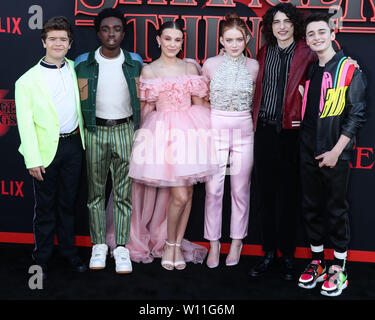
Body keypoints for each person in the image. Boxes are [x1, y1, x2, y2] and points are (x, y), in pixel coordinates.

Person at [128, 20, 218, 270]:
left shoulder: (190, 68)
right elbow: (146, 109)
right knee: (179, 194)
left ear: (182, 42)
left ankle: (175, 244)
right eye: (167, 39)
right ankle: (169, 244)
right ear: (158, 40)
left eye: (177, 40)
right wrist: (142, 144)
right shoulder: (149, 71)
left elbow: (200, 103)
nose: (172, 44)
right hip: (162, 135)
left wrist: (223, 120)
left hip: (191, 132)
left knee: (187, 192)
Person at [297, 12, 366, 297]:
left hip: (334, 151)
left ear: (332, 34)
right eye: (311, 34)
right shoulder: (313, 69)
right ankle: (317, 262)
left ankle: (339, 268)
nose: (316, 37)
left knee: (336, 210)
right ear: (307, 39)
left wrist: (337, 151)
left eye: (321, 32)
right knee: (311, 207)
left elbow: (356, 115)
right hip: (307, 148)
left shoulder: (349, 69)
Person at [248, 3, 317, 280]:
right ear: (270, 26)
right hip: (264, 131)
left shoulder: (307, 53)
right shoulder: (264, 52)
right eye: (276, 22)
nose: (282, 26)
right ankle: (267, 254)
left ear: (294, 25)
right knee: (265, 196)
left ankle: (287, 257)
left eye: (287, 21)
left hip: (292, 133)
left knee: (288, 198)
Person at [15, 16, 87, 279]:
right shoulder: (26, 81)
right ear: (44, 41)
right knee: (45, 208)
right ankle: (41, 258)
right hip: (45, 152)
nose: (58, 43)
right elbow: (24, 124)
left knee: (68, 204)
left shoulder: (75, 69)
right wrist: (32, 159)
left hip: (74, 146)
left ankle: (69, 253)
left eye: (63, 39)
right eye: (53, 39)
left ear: (69, 44)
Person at [75, 8, 143, 274]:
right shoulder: (83, 62)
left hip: (125, 129)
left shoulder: (135, 61)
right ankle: (99, 245)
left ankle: (122, 247)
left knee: (123, 193)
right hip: (95, 130)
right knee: (95, 193)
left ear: (123, 33)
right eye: (106, 29)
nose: (111, 33)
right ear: (98, 32)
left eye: (116, 29)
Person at [201, 13, 259, 268]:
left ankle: (236, 242)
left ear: (246, 38)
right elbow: (202, 99)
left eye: (239, 39)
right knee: (213, 189)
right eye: (229, 40)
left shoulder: (254, 66)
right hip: (216, 128)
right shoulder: (210, 64)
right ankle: (213, 244)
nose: (234, 44)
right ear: (221, 41)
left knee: (239, 189)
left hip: (244, 130)